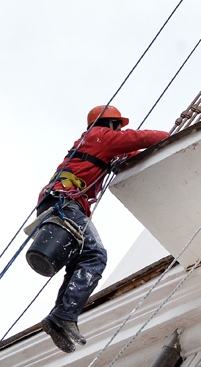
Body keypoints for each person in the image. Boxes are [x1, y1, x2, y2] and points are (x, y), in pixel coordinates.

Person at [37, 105, 170, 353]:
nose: (121, 129)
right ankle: (63, 315)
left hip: (57, 203)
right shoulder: (101, 136)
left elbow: (125, 155)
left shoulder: (92, 144)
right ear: (109, 123)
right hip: (65, 203)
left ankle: (61, 316)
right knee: (96, 255)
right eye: (119, 125)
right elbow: (148, 138)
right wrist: (169, 136)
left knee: (80, 262)